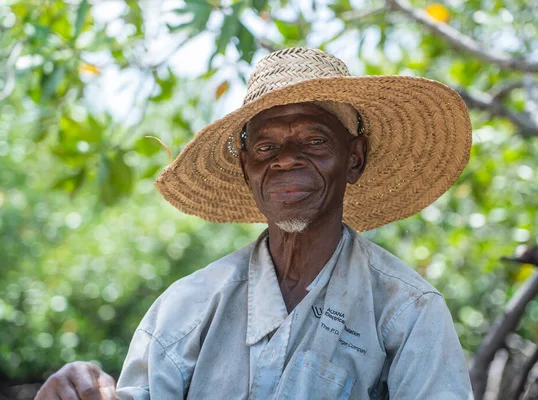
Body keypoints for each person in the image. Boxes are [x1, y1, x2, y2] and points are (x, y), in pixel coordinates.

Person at [35, 47, 474, 399]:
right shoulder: (187, 307)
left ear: (354, 158)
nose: (285, 159)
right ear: (247, 169)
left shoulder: (407, 311)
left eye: (314, 140)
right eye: (265, 147)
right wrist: (79, 388)